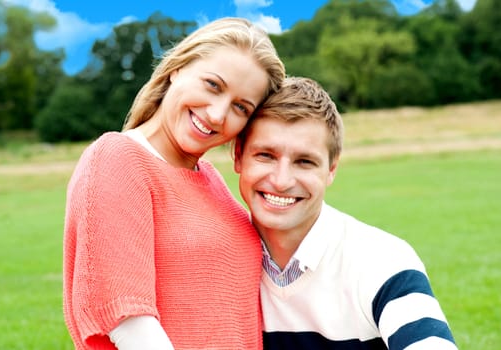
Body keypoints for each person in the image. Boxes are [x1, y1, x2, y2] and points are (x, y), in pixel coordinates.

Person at [63, 17, 285, 350]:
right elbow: (128, 322)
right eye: (213, 85)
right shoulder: (118, 157)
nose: (217, 115)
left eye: (241, 107)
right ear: (177, 69)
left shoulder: (210, 179)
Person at [233, 77, 458, 349]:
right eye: (265, 155)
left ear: (331, 170)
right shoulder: (217, 262)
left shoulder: (382, 260)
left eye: (304, 161)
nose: (281, 181)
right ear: (238, 157)